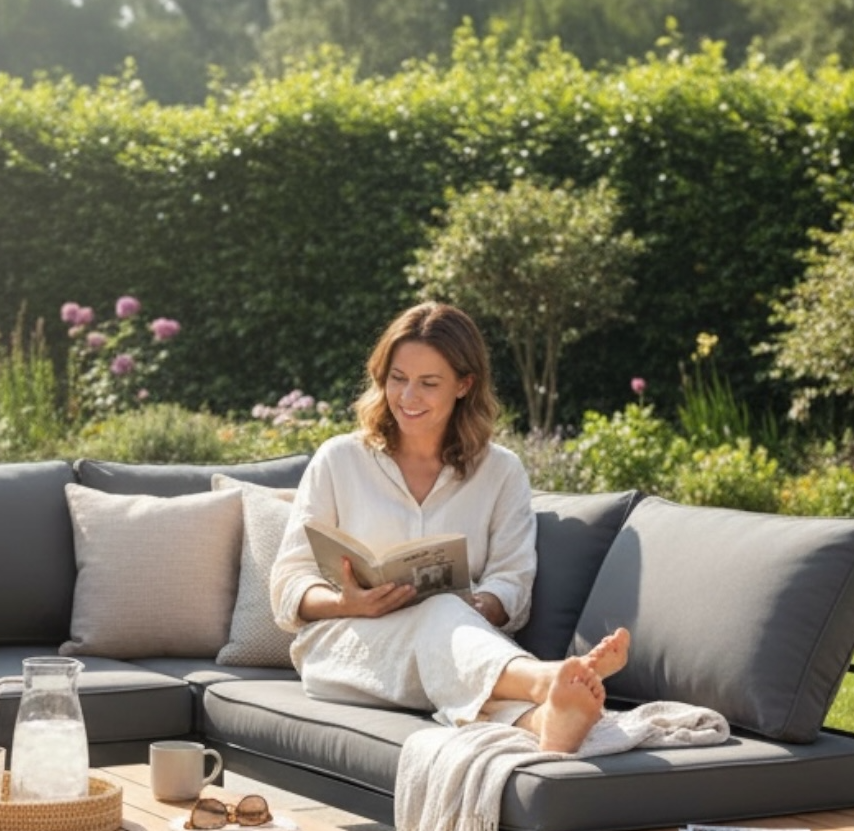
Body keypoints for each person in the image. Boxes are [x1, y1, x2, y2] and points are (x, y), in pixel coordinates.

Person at [269, 301, 630, 754]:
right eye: (397, 378)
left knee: (444, 619)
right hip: (348, 645)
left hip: (458, 644)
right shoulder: (339, 459)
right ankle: (545, 678)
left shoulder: (501, 472)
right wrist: (346, 602)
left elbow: (512, 580)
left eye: (428, 383)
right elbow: (289, 580)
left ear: (464, 384)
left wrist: (478, 606)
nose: (408, 396)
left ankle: (542, 722)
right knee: (441, 619)